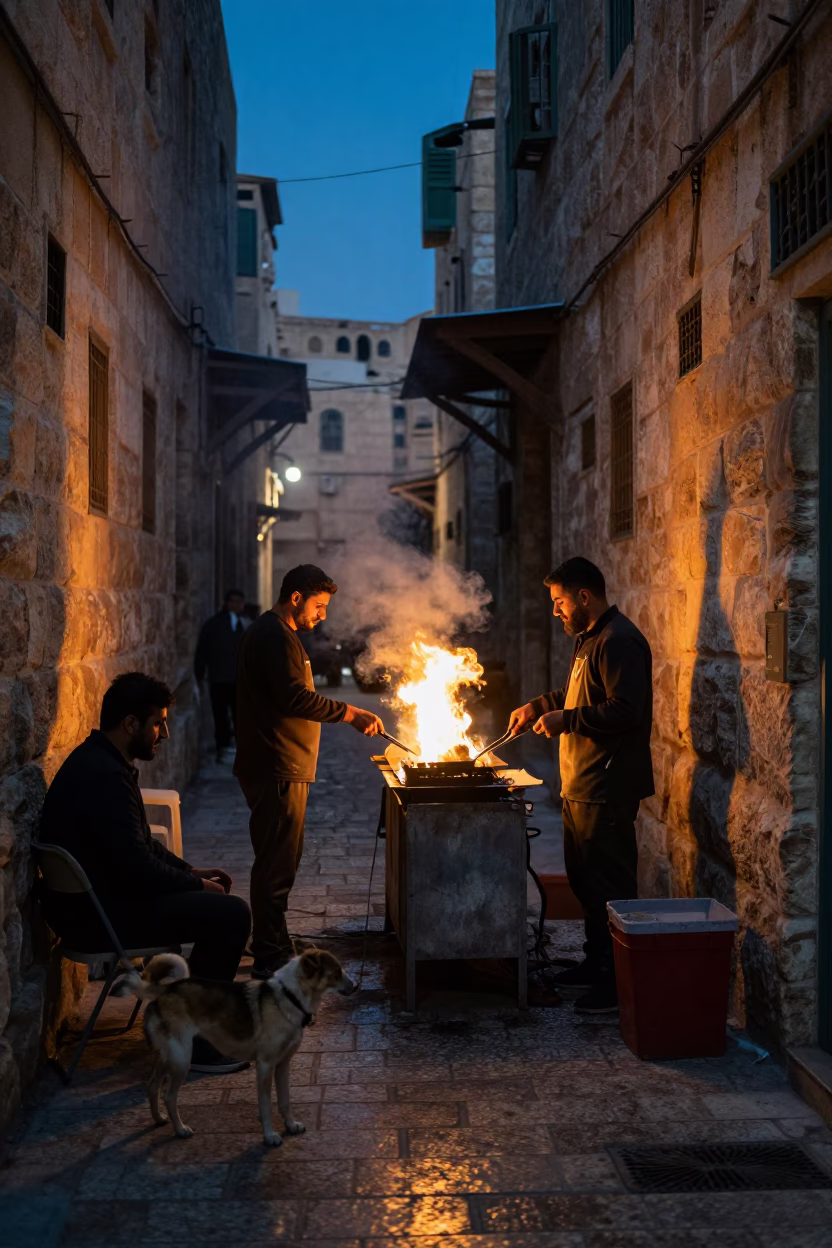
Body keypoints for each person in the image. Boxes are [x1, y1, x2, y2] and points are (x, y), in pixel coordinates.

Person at [39, 672, 252, 1073]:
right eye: (158, 723)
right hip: (98, 918)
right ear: (131, 724)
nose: (165, 733)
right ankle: (199, 1046)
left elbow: (140, 847)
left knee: (219, 908)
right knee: (232, 916)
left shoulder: (105, 761)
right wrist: (196, 885)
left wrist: (191, 871)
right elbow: (138, 867)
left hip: (104, 902)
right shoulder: (105, 776)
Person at [508, 557, 654, 1015]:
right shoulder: (589, 640)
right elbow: (580, 694)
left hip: (606, 787)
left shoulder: (620, 641)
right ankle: (596, 965)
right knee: (586, 883)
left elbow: (625, 709)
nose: (556, 611)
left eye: (559, 602)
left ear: (584, 597)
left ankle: (617, 985)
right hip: (580, 785)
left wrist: (564, 719)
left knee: (610, 887)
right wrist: (540, 705)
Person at [234, 564, 384, 978]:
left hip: (281, 763)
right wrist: (349, 712)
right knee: (276, 863)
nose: (323, 615)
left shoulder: (279, 635)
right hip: (276, 764)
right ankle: (268, 955)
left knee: (281, 857)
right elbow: (295, 698)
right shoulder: (273, 635)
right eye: (319, 606)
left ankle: (275, 941)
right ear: (296, 597)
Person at [195, 589, 246, 762]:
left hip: (237, 679)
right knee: (220, 715)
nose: (238, 605)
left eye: (240, 602)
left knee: (240, 715)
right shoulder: (214, 624)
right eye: (235, 601)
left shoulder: (243, 624)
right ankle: (222, 748)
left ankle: (240, 749)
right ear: (228, 603)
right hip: (219, 678)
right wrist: (200, 672)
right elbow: (203, 649)